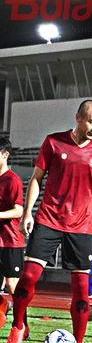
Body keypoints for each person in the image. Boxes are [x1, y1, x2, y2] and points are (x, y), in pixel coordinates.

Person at [6, 100, 92, 343]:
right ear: (78, 118)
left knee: (81, 288)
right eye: (90, 121)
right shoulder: (53, 142)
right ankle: (18, 326)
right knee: (29, 277)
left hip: (82, 227)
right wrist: (29, 212)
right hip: (48, 219)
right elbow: (36, 179)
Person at [0, 138, 25, 331]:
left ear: (5, 154)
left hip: (10, 241)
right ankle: (2, 307)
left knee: (11, 284)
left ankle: (21, 325)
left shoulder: (12, 180)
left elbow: (18, 211)